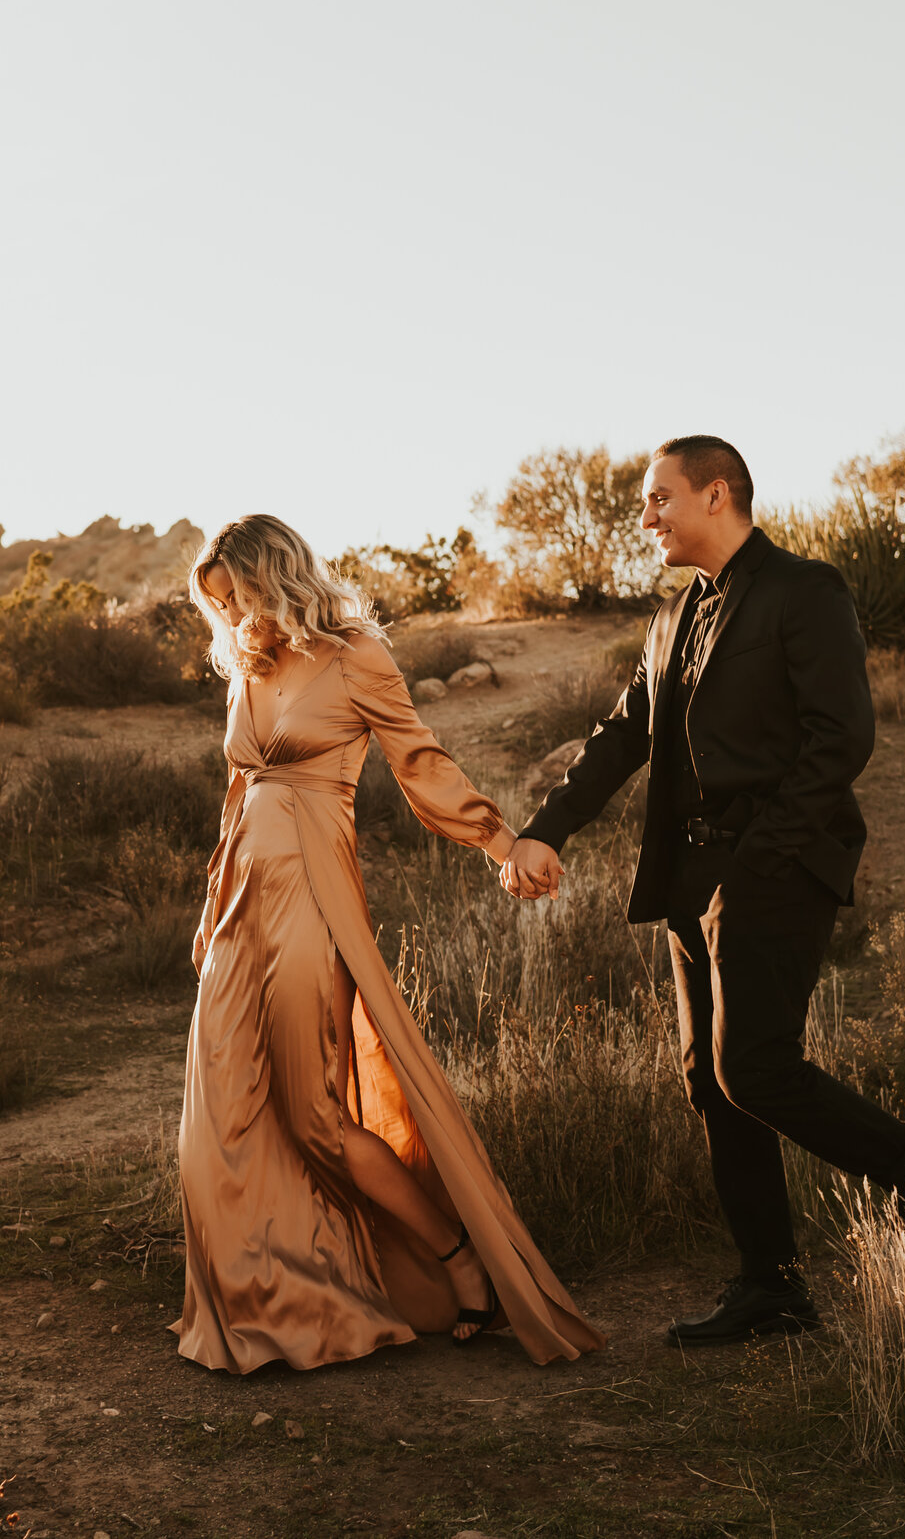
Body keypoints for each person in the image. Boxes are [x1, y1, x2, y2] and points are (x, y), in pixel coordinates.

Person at [499, 436, 905, 1347]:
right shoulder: (670, 617)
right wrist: (542, 829)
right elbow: (621, 736)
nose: (646, 516)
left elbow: (841, 739)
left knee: (754, 1066)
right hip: (688, 879)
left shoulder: (807, 592)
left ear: (716, 493)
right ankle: (774, 1288)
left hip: (774, 867)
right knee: (710, 1085)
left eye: (658, 499)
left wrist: (759, 860)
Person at [171, 514, 603, 1374]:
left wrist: (500, 840)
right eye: (219, 607)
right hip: (238, 909)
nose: (233, 619)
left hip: (310, 903)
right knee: (216, 1115)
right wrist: (212, 905)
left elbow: (421, 762)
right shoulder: (250, 663)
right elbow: (239, 791)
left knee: (315, 1118)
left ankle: (454, 1254)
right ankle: (268, 1298)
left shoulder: (355, 654)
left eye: (241, 598)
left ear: (278, 578)